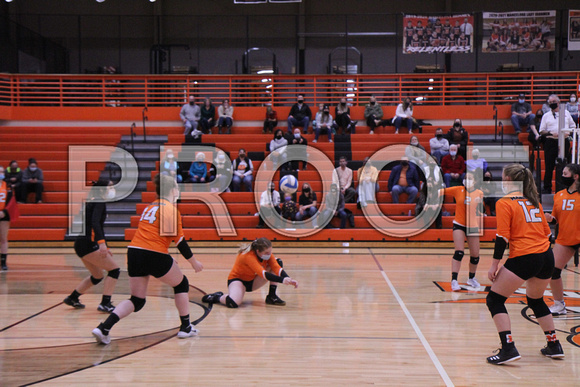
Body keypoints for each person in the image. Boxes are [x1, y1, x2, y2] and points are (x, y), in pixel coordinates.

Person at [92, 174, 204, 345]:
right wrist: (194, 262)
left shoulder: (151, 206)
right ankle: (186, 327)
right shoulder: (170, 209)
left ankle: (103, 327)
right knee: (181, 284)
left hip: (135, 252)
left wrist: (166, 257)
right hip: (152, 253)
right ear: (172, 190)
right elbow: (179, 242)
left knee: (137, 299)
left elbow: (155, 236)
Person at [485, 164, 564, 364]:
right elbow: (547, 234)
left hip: (526, 255)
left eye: (503, 179)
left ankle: (508, 348)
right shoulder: (533, 201)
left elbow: (502, 237)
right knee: (536, 300)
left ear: (510, 181)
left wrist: (495, 265)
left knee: (494, 300)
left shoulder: (504, 202)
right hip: (546, 255)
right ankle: (554, 345)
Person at [63, 180, 120, 313]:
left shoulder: (93, 200)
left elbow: (95, 225)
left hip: (81, 243)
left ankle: (73, 297)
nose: (112, 189)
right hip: (88, 243)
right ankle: (105, 303)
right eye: (110, 186)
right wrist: (101, 243)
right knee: (114, 270)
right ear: (101, 189)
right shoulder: (99, 201)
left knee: (97, 276)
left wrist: (106, 245)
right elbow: (95, 223)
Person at [201, 238, 298, 308]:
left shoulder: (267, 254)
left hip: (252, 282)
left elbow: (277, 268)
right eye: (266, 253)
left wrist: (289, 279)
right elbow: (263, 274)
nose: (269, 255)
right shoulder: (247, 256)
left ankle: (271, 296)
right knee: (233, 303)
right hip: (237, 280)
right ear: (258, 251)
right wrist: (282, 280)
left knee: (278, 261)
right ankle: (217, 297)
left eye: (270, 252)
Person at [545, 164, 580, 315]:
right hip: (566, 238)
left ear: (575, 176)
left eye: (565, 173)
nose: (562, 175)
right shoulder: (558, 195)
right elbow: (556, 219)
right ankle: (559, 304)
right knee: (553, 270)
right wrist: (549, 219)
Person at [442, 170, 483, 291]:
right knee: (459, 252)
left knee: (475, 255)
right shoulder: (458, 190)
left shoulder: (479, 193)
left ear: (475, 181)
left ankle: (471, 278)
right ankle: (454, 280)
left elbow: (477, 208)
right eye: (466, 178)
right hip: (459, 224)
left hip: (472, 225)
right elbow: (441, 192)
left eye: (470, 178)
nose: (467, 180)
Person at [539, 94, 575, 194]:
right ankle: (547, 188)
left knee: (565, 165)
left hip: (564, 141)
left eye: (554, 101)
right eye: (550, 102)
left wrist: (569, 132)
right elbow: (541, 131)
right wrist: (551, 133)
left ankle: (565, 187)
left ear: (558, 102)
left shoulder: (566, 113)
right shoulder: (546, 115)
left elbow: (573, 126)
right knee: (549, 166)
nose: (552, 104)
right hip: (551, 142)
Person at [0, 166, 13, 271]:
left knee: (3, 239)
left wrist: (4, 211)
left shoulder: (7, 185)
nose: (1, 173)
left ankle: (3, 262)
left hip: (3, 215)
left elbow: (11, 201)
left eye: (2, 172)